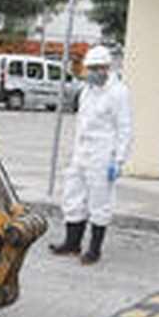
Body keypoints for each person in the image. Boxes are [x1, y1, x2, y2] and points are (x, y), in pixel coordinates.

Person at [49, 44, 133, 265]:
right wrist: (75, 152)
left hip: (103, 155)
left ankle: (94, 249)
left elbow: (125, 129)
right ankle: (72, 243)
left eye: (97, 68)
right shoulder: (87, 92)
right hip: (82, 152)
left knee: (99, 202)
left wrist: (118, 160)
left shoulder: (118, 93)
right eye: (90, 68)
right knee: (72, 195)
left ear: (106, 68)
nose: (93, 72)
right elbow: (81, 125)